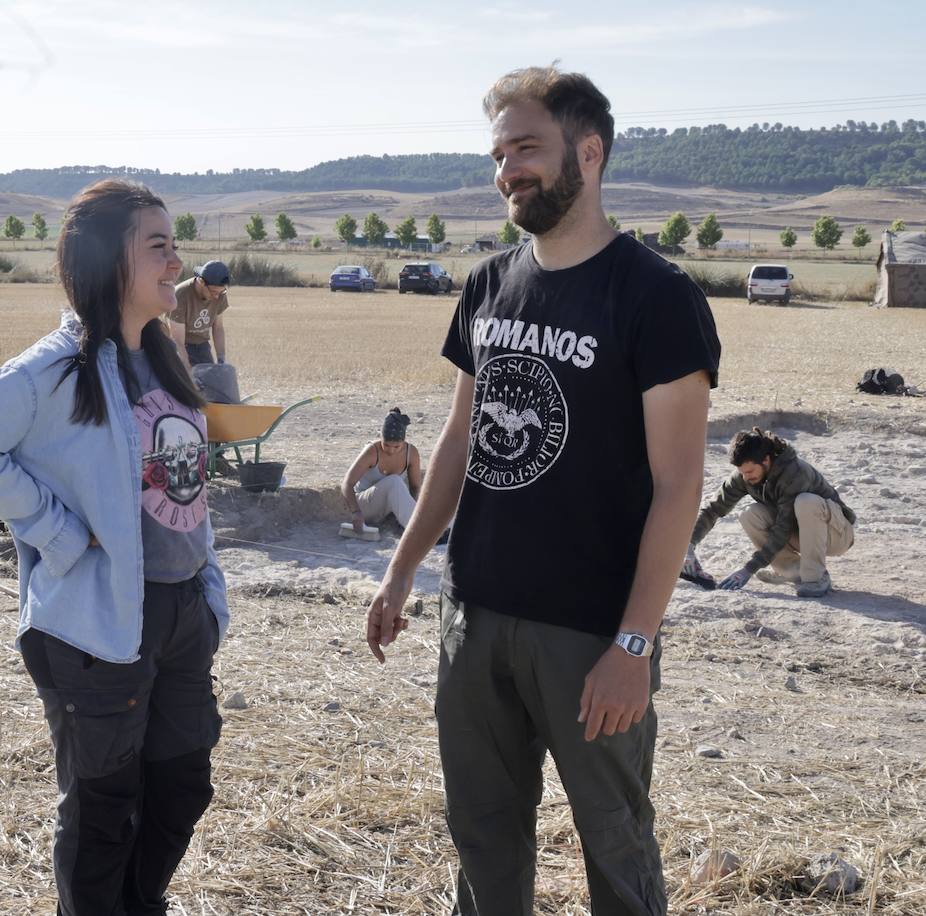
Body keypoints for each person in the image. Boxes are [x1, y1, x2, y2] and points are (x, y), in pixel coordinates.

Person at [365, 65, 720, 916]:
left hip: (590, 631)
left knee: (615, 841)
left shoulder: (657, 297)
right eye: (497, 154)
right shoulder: (489, 284)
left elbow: (678, 486)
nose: (506, 171)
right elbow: (457, 441)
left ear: (587, 152)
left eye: (526, 147)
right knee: (483, 838)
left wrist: (634, 645)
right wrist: (404, 568)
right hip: (476, 613)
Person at [0, 179, 227, 916]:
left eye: (174, 245)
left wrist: (210, 588)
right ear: (105, 261)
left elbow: (185, 480)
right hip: (97, 625)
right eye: (158, 246)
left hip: (182, 614)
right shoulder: (58, 367)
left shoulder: (165, 354)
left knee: (181, 785)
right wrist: (54, 530)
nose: (175, 261)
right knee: (104, 806)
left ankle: (139, 905)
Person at [683, 427, 855, 598]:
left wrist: (748, 569)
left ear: (766, 460)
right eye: (742, 473)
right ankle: (795, 572)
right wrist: (688, 546)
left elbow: (783, 529)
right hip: (800, 533)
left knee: (806, 502)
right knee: (750, 515)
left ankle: (815, 578)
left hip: (836, 535)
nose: (746, 478)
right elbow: (714, 508)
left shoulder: (794, 473)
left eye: (749, 471)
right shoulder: (745, 475)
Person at [342, 407, 424, 533]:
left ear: (403, 441)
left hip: (387, 509)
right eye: (386, 445)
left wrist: (411, 508)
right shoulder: (372, 451)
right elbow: (347, 484)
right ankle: (420, 531)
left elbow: (415, 487)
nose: (391, 450)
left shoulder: (411, 453)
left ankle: (435, 528)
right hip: (364, 507)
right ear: (381, 438)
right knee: (394, 482)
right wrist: (355, 512)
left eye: (397, 446)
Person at [170, 260, 230, 371]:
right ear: (201, 281)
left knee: (210, 382)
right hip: (179, 347)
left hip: (202, 345)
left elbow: (218, 328)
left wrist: (221, 360)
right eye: (213, 292)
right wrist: (188, 371)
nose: (216, 297)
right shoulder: (180, 295)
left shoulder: (220, 294)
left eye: (220, 292)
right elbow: (177, 341)